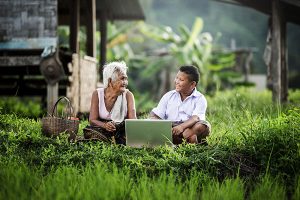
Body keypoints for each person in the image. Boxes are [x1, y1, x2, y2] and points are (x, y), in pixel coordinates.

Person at [150, 65, 211, 144]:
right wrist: (154, 120)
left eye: (181, 80)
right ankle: (188, 139)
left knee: (203, 126)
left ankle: (182, 138)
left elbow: (196, 118)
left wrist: (182, 127)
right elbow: (156, 114)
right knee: (155, 124)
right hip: (171, 127)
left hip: (190, 126)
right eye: (177, 78)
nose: (176, 81)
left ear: (192, 84)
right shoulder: (169, 96)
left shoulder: (200, 98)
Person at [83, 61, 137, 144]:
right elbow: (92, 120)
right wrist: (105, 125)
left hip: (121, 130)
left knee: (123, 138)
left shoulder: (128, 95)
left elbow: (133, 121)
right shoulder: (97, 94)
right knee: (93, 133)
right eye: (122, 79)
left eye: (126, 79)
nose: (126, 82)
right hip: (102, 129)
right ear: (110, 81)